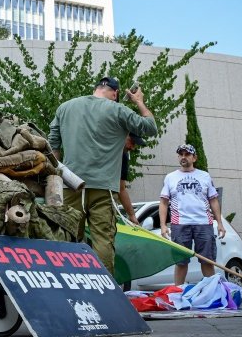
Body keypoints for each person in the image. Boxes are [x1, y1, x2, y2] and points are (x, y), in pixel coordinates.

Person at [48, 77, 157, 274]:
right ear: (115, 94)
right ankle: (103, 289)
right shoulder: (118, 110)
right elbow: (150, 127)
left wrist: (55, 177)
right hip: (103, 188)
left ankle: (66, 285)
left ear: (97, 88)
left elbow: (53, 145)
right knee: (103, 241)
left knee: (67, 238)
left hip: (70, 185)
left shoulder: (65, 107)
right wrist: (139, 101)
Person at [159, 144, 224, 286]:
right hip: (179, 224)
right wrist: (163, 225)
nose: (183, 157)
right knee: (181, 262)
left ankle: (211, 291)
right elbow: (164, 202)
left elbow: (213, 200)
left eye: (187, 154)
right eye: (180, 154)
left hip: (204, 223)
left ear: (194, 157)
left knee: (207, 261)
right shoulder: (170, 177)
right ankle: (178, 293)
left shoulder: (205, 176)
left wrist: (220, 223)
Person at [118, 133, 147, 225]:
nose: (132, 147)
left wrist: (132, 215)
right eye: (132, 142)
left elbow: (120, 188)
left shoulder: (124, 156)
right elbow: (120, 189)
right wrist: (131, 215)